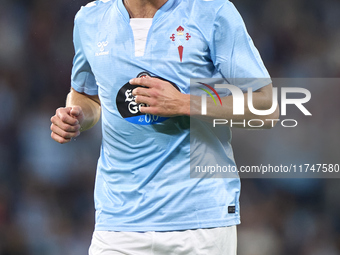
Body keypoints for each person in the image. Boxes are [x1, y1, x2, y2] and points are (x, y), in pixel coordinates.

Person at [50, 0, 279, 254]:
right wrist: (77, 116)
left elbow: (266, 107)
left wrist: (183, 103)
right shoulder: (90, 19)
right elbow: (86, 95)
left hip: (200, 222)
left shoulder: (212, 11)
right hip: (118, 223)